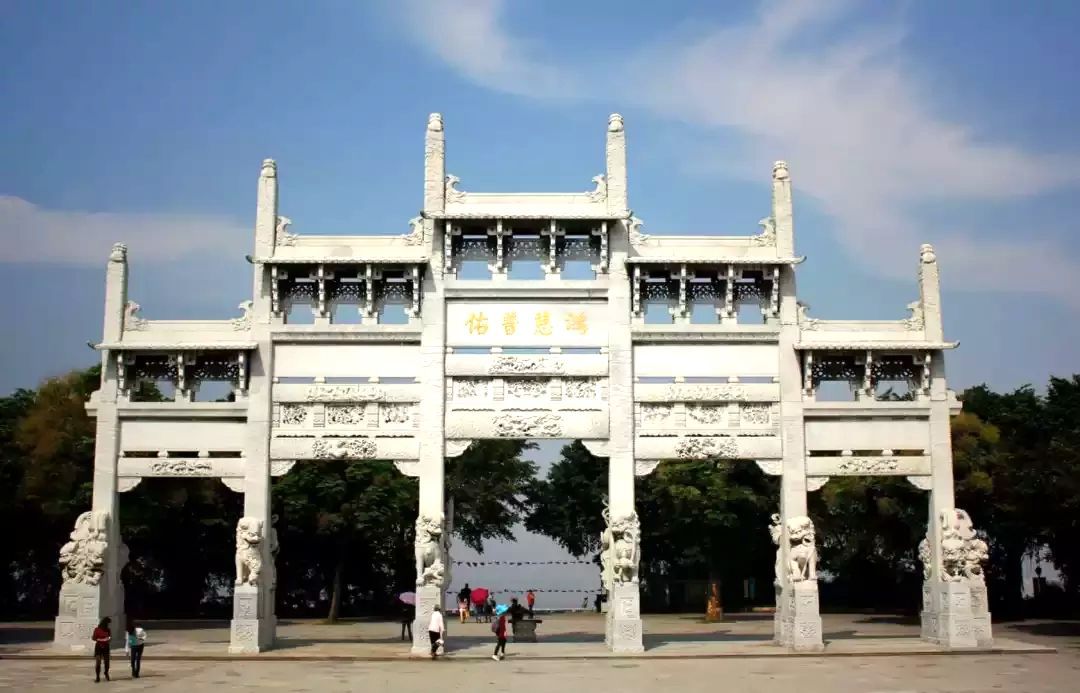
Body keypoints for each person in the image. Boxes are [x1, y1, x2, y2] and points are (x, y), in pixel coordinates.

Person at [92, 617, 111, 682]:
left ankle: (106, 672)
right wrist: (101, 639)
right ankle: (97, 676)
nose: (108, 625)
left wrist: (108, 639)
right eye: (107, 623)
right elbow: (94, 638)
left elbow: (109, 637)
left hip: (106, 647)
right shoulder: (97, 629)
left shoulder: (108, 630)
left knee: (107, 662)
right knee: (98, 662)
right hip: (99, 647)